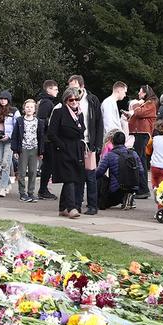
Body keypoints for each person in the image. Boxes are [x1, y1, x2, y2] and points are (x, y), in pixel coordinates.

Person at [46, 86, 88, 218]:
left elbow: (81, 131)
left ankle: (63, 207)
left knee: (72, 178)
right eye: (71, 100)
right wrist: (61, 146)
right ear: (66, 101)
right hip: (63, 150)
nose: (74, 102)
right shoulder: (59, 112)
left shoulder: (79, 114)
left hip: (76, 149)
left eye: (76, 99)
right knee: (69, 178)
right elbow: (51, 133)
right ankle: (71, 207)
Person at [66, 75, 104, 214]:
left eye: (75, 87)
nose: (73, 90)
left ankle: (93, 205)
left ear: (82, 86)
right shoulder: (70, 101)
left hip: (89, 142)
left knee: (90, 174)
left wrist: (98, 143)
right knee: (77, 174)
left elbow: (99, 122)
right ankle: (76, 204)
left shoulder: (92, 100)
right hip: (76, 143)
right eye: (70, 88)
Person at [95, 131, 145, 209]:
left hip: (116, 190)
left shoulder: (110, 155)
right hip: (132, 187)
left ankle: (119, 199)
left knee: (101, 179)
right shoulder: (133, 153)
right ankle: (128, 196)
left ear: (112, 141)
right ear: (124, 141)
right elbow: (141, 171)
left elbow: (99, 172)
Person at [128, 85, 158, 198]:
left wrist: (136, 103)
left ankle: (143, 189)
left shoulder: (150, 103)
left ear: (145, 93)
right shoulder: (146, 103)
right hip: (138, 133)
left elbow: (139, 113)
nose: (138, 94)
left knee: (139, 161)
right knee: (140, 160)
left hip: (142, 134)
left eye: (140, 92)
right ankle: (141, 188)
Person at [11, 99, 45, 202]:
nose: (29, 109)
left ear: (35, 109)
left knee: (33, 172)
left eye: (31, 107)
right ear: (24, 108)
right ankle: (22, 193)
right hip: (23, 149)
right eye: (27, 107)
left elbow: (41, 137)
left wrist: (41, 152)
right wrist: (15, 151)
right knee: (21, 172)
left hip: (34, 149)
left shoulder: (39, 122)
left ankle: (31, 192)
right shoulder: (20, 121)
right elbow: (15, 136)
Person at [36, 80, 60, 200]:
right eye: (55, 89)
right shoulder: (47, 103)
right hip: (47, 139)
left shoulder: (46, 102)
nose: (57, 91)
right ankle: (43, 190)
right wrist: (52, 123)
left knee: (48, 164)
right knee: (48, 165)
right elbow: (41, 119)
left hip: (46, 138)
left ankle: (44, 188)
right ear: (48, 90)